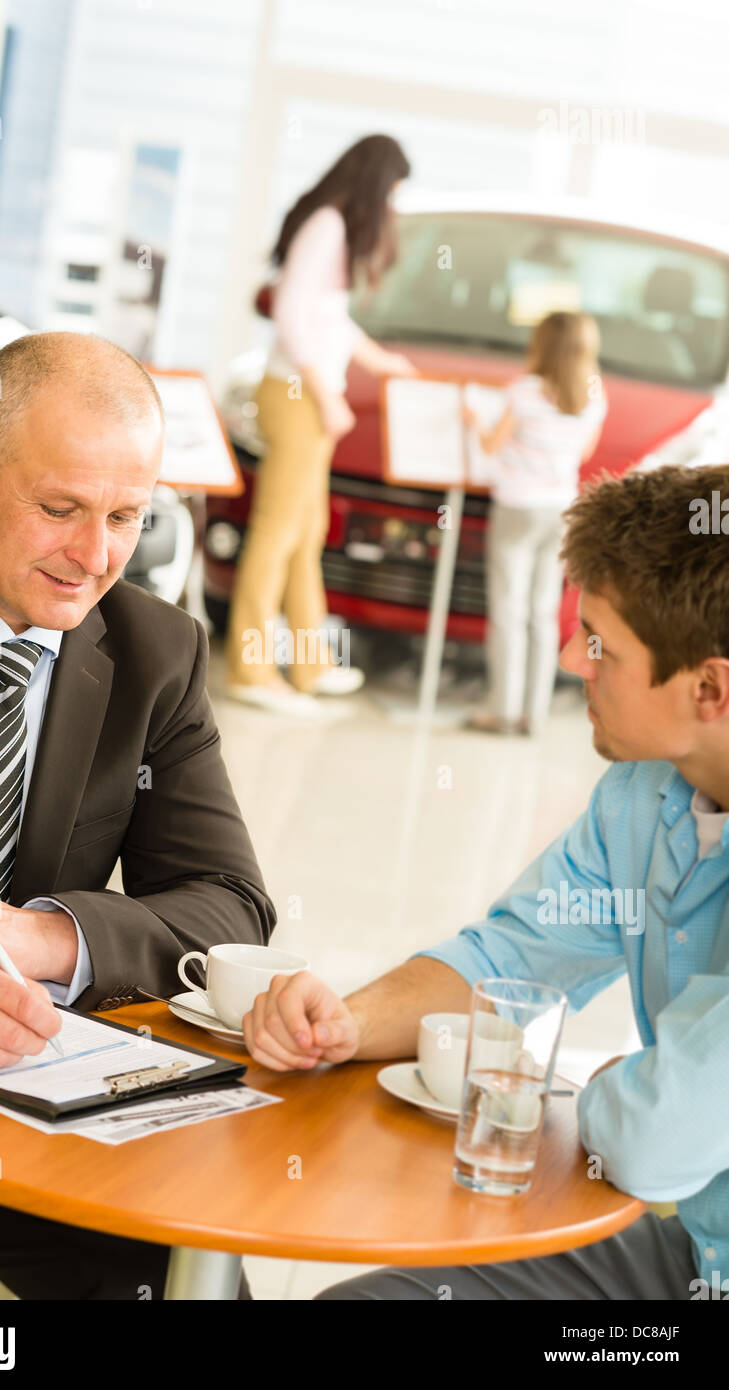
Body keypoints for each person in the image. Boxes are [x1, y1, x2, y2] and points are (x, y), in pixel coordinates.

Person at [242, 462, 729, 1301]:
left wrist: (605, 1091)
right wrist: (345, 1024)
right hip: (691, 1252)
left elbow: (654, 1142)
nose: (573, 658)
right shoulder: (642, 794)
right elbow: (510, 963)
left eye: (601, 642)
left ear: (709, 689)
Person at [0, 331, 275, 1300]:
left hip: (23, 1099)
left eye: (126, 517)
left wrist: (41, 935)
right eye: (60, 509)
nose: (93, 557)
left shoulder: (154, 652)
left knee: (186, 1266)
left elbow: (229, 906)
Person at [226, 133, 417, 717]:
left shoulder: (330, 226)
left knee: (305, 533)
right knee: (277, 530)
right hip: (297, 395)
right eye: (394, 192)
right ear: (376, 182)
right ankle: (251, 670)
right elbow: (289, 313)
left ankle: (310, 662)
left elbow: (326, 317)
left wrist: (377, 361)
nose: (395, 206)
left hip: (307, 394)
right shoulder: (328, 226)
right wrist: (324, 393)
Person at [463, 311, 607, 736]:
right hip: (560, 510)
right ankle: (535, 715)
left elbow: (491, 445)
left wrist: (475, 421)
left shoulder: (523, 392)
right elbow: (582, 454)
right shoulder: (594, 397)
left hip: (516, 507)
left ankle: (503, 711)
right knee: (543, 612)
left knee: (508, 609)